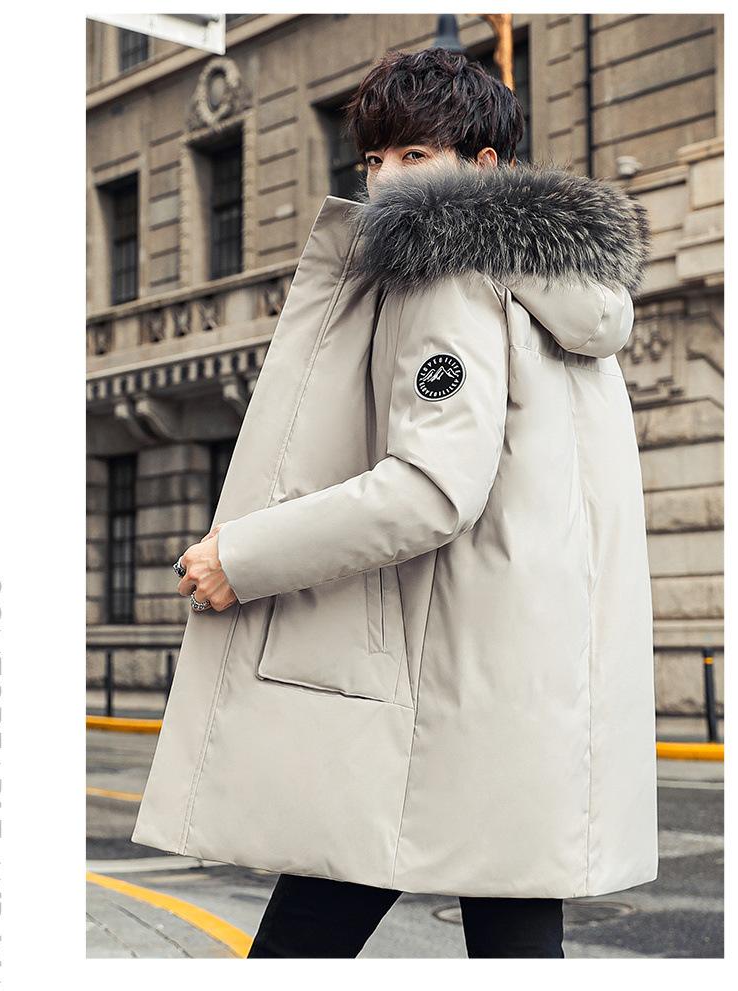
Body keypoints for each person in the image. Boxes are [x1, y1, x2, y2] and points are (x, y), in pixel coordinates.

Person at [155, 47, 657, 959]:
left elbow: (428, 488)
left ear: (485, 167)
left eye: (415, 156)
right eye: (374, 160)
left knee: (312, 928)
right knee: (509, 934)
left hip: (436, 687)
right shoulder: (566, 297)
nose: (386, 180)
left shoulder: (450, 274)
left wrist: (242, 556)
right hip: (525, 695)